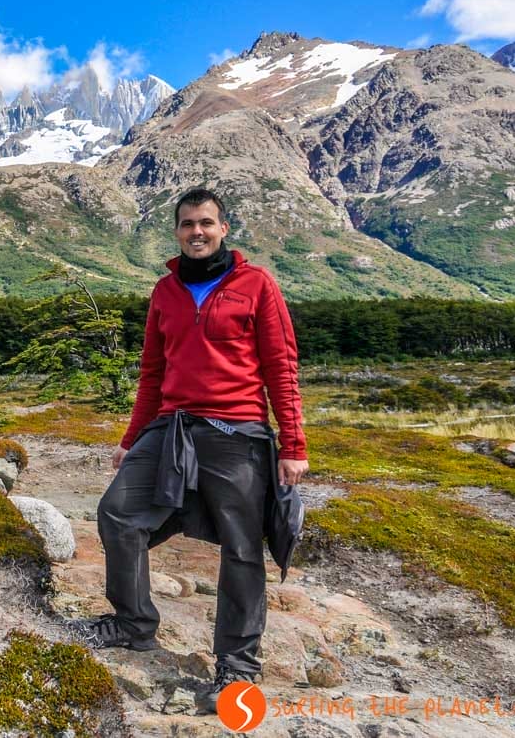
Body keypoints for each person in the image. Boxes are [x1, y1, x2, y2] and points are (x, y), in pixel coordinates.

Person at [84, 187, 308, 715]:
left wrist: (292, 444)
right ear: (177, 232)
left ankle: (237, 667)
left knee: (242, 548)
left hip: (238, 433)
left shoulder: (256, 285)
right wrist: (132, 437)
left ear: (223, 228)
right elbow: (153, 373)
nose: (197, 232)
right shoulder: (165, 291)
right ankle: (133, 624)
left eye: (206, 223)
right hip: (173, 425)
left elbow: (282, 365)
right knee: (118, 514)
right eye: (187, 225)